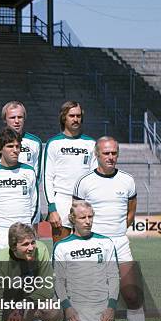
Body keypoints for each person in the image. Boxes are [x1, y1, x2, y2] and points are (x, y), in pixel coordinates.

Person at [73, 137, 155, 321]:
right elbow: (77, 214)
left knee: (132, 293)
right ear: (97, 155)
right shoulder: (85, 182)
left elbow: (130, 213)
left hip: (120, 243)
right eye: (106, 153)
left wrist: (116, 234)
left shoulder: (127, 180)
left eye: (114, 153)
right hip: (94, 245)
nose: (110, 157)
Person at [53, 200, 118, 321]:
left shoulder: (106, 243)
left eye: (90, 216)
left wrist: (111, 307)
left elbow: (114, 277)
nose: (87, 221)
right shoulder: (62, 246)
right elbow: (59, 281)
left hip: (101, 313)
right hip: (77, 315)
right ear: (73, 219)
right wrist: (67, 307)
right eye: (82, 217)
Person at [0, 127, 39, 255]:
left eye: (18, 146)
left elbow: (35, 205)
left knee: (26, 274)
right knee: (2, 274)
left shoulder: (29, 172)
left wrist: (28, 227)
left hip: (24, 231)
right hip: (0, 233)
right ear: (0, 149)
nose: (15, 150)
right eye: (10, 146)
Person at [43, 101, 96, 243]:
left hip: (84, 201)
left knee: (85, 250)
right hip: (61, 200)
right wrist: (52, 209)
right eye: (71, 115)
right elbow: (47, 177)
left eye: (78, 116)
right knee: (61, 251)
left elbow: (94, 177)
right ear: (63, 118)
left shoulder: (91, 144)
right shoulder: (53, 143)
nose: (75, 119)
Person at [0, 101, 42, 175]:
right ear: (4, 119)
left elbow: (37, 175)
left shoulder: (35, 143)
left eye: (20, 117)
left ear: (24, 118)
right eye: (12, 118)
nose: (17, 121)